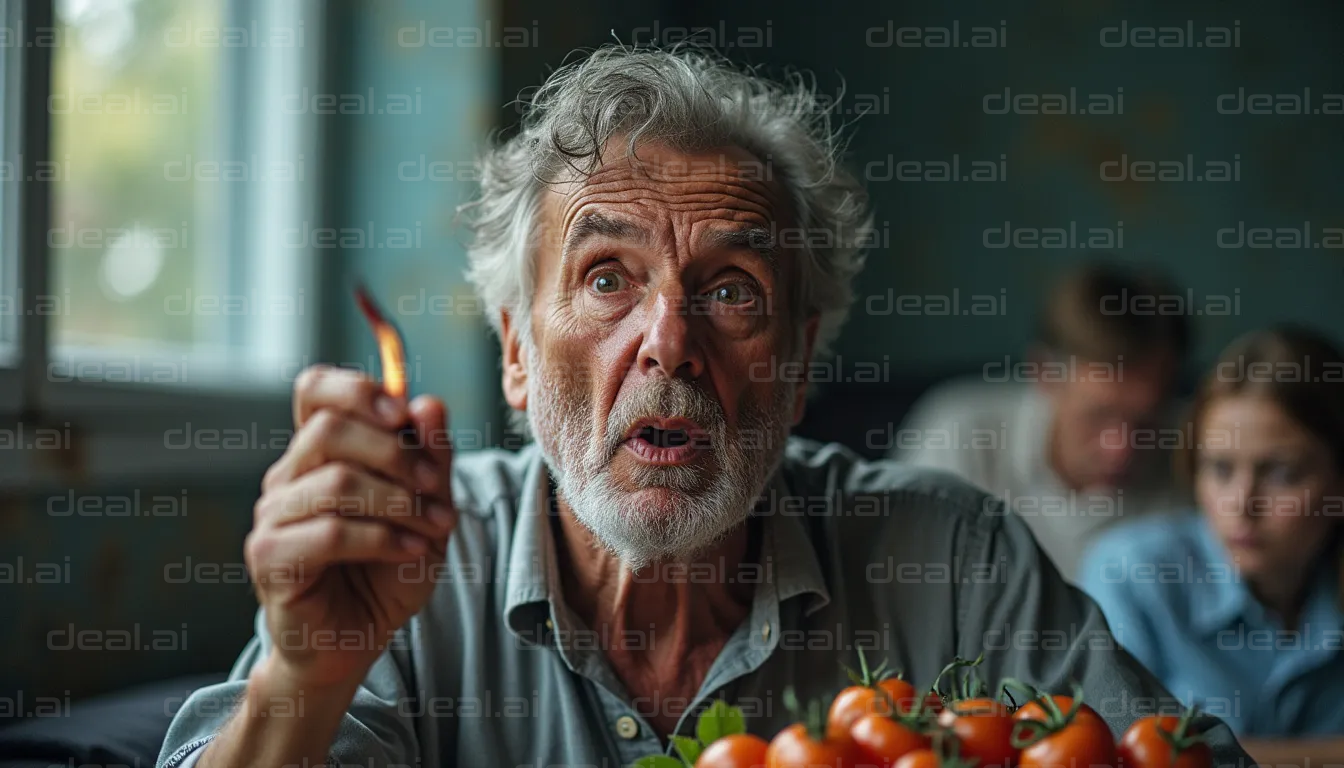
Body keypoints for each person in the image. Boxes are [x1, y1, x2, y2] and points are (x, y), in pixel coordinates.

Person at [156, 46, 1249, 768]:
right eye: (604, 279)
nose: (668, 340)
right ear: (517, 355)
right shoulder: (422, 562)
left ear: (802, 360)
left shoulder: (956, 560)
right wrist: (306, 676)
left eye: (733, 290)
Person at [1080, 326, 1344, 760]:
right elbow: (1120, 755)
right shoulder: (1131, 572)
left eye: (1281, 473)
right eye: (1220, 469)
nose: (1241, 503)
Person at [892, 264, 1190, 580]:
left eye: (1146, 421)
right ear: (1043, 374)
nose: (1121, 448)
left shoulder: (1199, 457)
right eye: (1097, 416)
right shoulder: (957, 439)